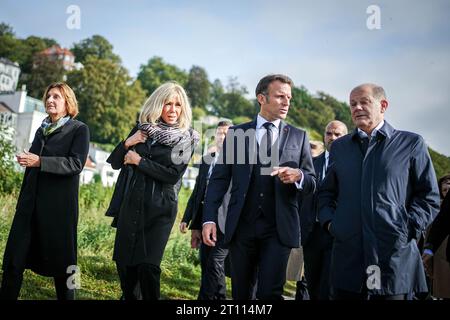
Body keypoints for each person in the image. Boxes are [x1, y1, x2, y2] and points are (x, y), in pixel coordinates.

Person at [318, 83, 440, 300]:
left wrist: (406, 228)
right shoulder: (340, 147)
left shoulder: (411, 143)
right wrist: (332, 224)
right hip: (349, 257)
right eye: (353, 104)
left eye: (364, 102)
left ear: (383, 105)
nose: (357, 108)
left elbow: (428, 197)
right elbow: (326, 193)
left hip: (393, 257)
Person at [202, 74, 316, 300]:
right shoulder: (237, 134)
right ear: (261, 98)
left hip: (278, 229)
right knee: (242, 293)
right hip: (241, 227)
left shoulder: (298, 136)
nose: (286, 102)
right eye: (280, 96)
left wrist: (299, 176)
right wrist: (209, 219)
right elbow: (219, 180)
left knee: (270, 293)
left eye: (289, 98)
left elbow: (312, 181)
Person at [105, 81, 199, 300]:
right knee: (125, 265)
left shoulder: (187, 138)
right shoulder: (141, 128)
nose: (173, 110)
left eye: (178, 105)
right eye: (168, 104)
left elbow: (172, 174)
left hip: (160, 209)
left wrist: (139, 161)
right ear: (158, 105)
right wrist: (128, 142)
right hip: (131, 204)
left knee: (148, 267)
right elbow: (115, 162)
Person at [0, 82, 90, 300]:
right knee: (13, 261)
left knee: (67, 266)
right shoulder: (41, 129)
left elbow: (76, 164)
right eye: (48, 96)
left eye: (56, 97)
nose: (50, 100)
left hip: (59, 211)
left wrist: (40, 161)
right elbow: (34, 163)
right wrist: (27, 160)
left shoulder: (79, 129)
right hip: (29, 208)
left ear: (68, 103)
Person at [180, 120, 233, 300]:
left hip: (224, 220)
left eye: (227, 133)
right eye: (220, 133)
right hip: (204, 220)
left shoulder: (237, 162)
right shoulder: (206, 160)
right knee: (207, 265)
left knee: (214, 264)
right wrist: (188, 218)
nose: (222, 137)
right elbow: (198, 192)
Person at [301, 120, 348, 300]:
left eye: (338, 134)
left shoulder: (351, 166)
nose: (332, 138)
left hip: (337, 233)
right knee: (312, 284)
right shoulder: (310, 164)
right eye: (329, 134)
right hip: (311, 233)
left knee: (328, 287)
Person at [423, 175, 450, 299]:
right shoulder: (435, 208)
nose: (448, 188)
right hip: (440, 256)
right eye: (444, 189)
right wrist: (429, 248)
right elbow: (436, 227)